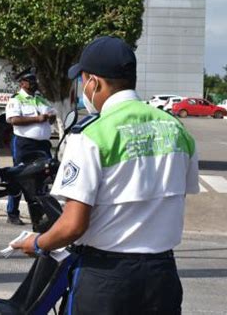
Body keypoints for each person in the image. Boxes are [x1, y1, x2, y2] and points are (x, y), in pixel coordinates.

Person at [12, 36, 200, 314]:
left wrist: (37, 243)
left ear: (94, 82)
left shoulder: (91, 135)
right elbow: (175, 196)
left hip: (106, 277)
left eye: (83, 80)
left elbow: (73, 225)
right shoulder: (177, 129)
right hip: (162, 276)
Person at [5, 68, 56, 225]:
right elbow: (13, 120)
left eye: (35, 81)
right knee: (19, 177)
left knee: (44, 177)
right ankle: (12, 213)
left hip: (42, 145)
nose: (34, 84)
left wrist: (51, 117)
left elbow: (50, 119)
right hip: (24, 144)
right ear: (22, 83)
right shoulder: (16, 99)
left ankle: (41, 214)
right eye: (30, 81)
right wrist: (38, 119)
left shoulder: (40, 99)